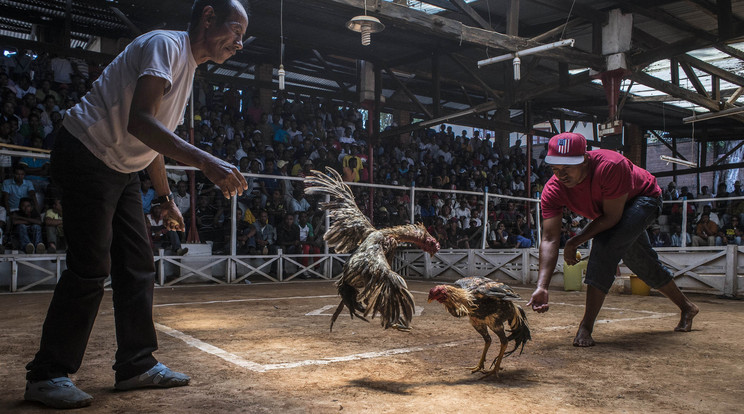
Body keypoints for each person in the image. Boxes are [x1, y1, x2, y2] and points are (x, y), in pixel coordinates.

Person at [24, 0, 251, 409]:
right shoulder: (166, 45)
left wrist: (165, 199)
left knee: (138, 265)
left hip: (120, 166)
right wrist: (207, 161)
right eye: (236, 30)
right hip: (87, 151)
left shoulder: (187, 68)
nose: (240, 43)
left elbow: (154, 140)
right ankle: (47, 374)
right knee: (91, 267)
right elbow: (140, 122)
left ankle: (135, 365)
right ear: (208, 16)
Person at [527, 132, 698, 347]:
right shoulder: (552, 190)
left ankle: (586, 326)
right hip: (612, 213)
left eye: (568, 167)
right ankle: (687, 307)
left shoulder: (610, 165)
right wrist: (542, 286)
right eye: (556, 169)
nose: (562, 175)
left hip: (643, 199)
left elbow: (611, 218)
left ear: (585, 159)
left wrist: (574, 241)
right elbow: (550, 238)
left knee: (604, 245)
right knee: (642, 264)